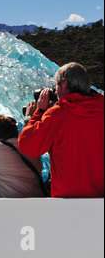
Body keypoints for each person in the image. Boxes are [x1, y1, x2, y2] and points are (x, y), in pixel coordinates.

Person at [19, 62, 104, 198]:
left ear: (64, 84)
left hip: (69, 200)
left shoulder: (57, 115)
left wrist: (39, 112)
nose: (55, 91)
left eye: (56, 86)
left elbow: (28, 146)